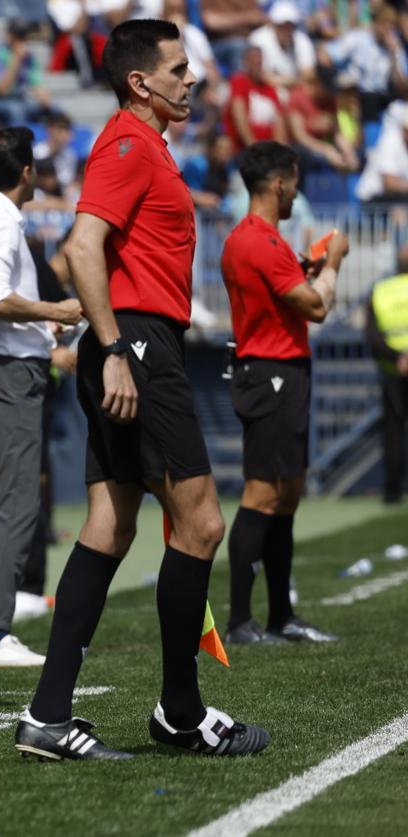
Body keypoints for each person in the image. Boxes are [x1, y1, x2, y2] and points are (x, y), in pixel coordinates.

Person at [14, 19, 271, 761]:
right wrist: (116, 348)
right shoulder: (128, 145)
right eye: (179, 69)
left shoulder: (148, 145)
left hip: (136, 341)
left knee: (110, 523)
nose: (191, 80)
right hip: (138, 344)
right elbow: (80, 246)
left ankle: (48, 715)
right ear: (141, 82)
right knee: (200, 524)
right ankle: (181, 711)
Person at [0, 127, 82, 668]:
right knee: (14, 505)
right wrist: (56, 312)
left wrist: (39, 330)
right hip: (7, 375)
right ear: (27, 171)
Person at [221, 141, 349, 646]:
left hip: (284, 369)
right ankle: (240, 622)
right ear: (278, 184)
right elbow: (317, 308)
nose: (298, 191)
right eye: (294, 182)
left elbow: (292, 296)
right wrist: (332, 262)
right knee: (263, 492)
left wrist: (310, 271)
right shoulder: (258, 240)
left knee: (288, 493)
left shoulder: (262, 241)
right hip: (269, 371)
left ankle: (281, 615)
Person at [366, 248, 408, 505]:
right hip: (396, 367)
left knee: (393, 431)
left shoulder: (381, 291)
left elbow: (372, 335)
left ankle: (392, 492)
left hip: (392, 369)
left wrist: (398, 357)